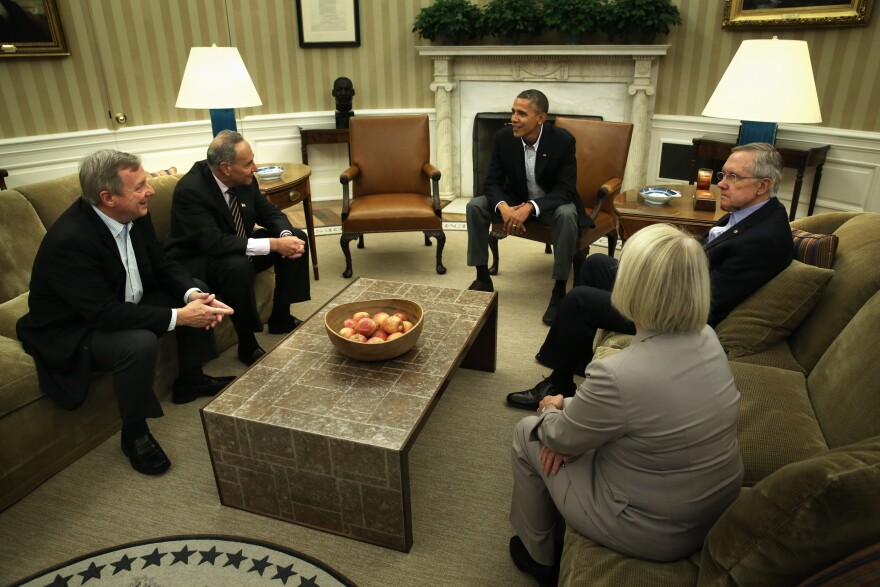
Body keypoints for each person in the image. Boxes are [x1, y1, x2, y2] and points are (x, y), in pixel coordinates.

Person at [508, 223, 744, 584]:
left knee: (529, 433)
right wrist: (572, 411)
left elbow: (561, 438)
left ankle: (538, 556)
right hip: (711, 508)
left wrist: (551, 411)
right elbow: (641, 407)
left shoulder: (617, 372)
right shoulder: (708, 337)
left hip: (652, 530)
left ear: (632, 287)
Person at [507, 142, 793, 411]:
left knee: (580, 300)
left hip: (676, 318)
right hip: (676, 290)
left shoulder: (762, 239)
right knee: (595, 264)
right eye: (723, 173)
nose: (721, 183)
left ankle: (559, 384)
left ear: (762, 185)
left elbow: (708, 304)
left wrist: (651, 289)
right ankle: (578, 358)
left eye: (733, 176)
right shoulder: (751, 213)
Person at [17, 150, 235, 476]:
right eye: (140, 186)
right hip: (76, 330)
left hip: (120, 304)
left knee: (194, 289)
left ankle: (190, 379)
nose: (151, 191)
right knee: (139, 342)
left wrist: (192, 295)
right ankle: (135, 434)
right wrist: (179, 316)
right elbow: (104, 314)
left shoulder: (134, 214)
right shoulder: (71, 241)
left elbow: (161, 263)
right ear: (108, 197)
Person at [165, 130, 311, 366]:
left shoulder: (244, 179)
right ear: (225, 168)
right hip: (200, 259)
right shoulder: (191, 190)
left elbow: (269, 213)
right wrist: (273, 244)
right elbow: (214, 242)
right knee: (237, 265)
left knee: (296, 236)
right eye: (248, 163)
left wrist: (284, 237)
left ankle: (280, 317)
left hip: (236, 248)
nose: (255, 168)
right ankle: (247, 342)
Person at [465, 89, 591, 324]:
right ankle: (482, 278)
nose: (513, 118)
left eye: (521, 114)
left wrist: (531, 207)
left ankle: (559, 291)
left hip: (551, 205)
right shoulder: (503, 138)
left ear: (541, 118)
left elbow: (565, 190)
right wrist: (504, 207)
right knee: (475, 206)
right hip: (514, 200)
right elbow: (491, 182)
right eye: (513, 112)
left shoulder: (563, 141)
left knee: (567, 214)